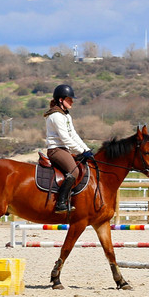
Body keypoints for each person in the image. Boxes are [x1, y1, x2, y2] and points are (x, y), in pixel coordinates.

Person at [44, 83, 93, 213]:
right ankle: (60, 203)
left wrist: (86, 149)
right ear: (61, 100)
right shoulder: (56, 116)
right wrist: (82, 151)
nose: (72, 102)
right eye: (69, 99)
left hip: (65, 149)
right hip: (56, 150)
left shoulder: (66, 115)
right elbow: (65, 139)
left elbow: (74, 135)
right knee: (74, 171)